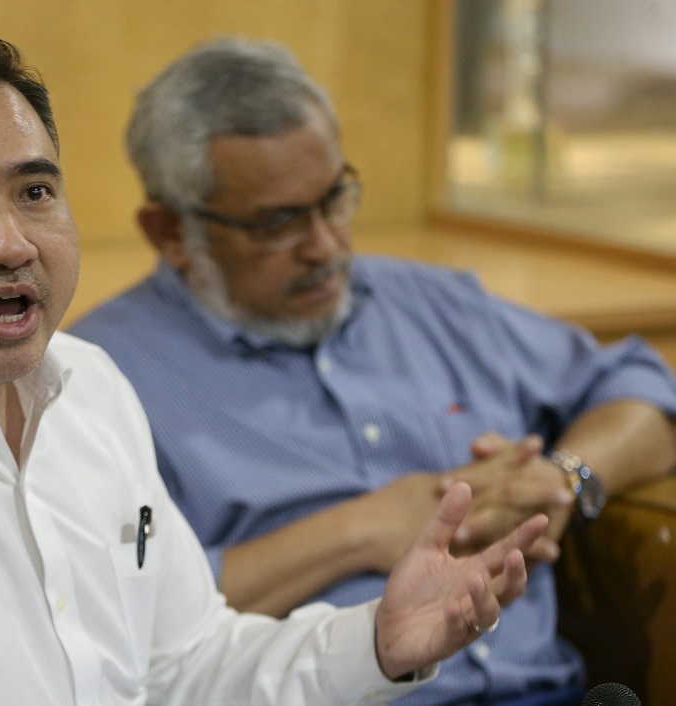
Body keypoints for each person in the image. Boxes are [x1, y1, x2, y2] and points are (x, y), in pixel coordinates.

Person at [0, 37, 546, 706]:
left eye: (36, 192)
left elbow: (184, 667)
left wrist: (381, 642)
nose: (11, 243)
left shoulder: (87, 385)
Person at [68, 36, 676, 706]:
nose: (325, 245)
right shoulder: (97, 380)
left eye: (334, 198)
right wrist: (357, 531)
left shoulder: (436, 304)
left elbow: (644, 392)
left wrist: (564, 480)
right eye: (277, 223)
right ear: (171, 233)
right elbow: (123, 620)